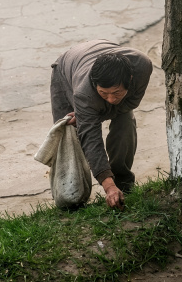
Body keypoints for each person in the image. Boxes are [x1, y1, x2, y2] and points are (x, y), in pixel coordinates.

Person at [50, 39, 153, 209]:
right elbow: (91, 139)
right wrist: (108, 187)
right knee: (67, 134)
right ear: (94, 84)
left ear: (131, 79)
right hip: (65, 69)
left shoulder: (142, 66)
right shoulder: (84, 94)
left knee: (125, 121)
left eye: (116, 93)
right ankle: (70, 195)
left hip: (103, 52)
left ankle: (123, 184)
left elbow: (131, 103)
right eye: (103, 94)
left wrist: (89, 117)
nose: (112, 100)